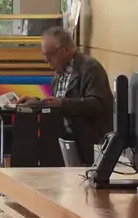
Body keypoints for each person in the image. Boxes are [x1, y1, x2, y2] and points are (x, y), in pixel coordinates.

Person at [38, 26, 113, 164]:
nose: (46, 60)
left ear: (65, 51)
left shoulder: (90, 68)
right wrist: (36, 102)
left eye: (49, 54)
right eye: (44, 55)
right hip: (66, 143)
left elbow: (100, 104)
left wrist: (63, 104)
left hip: (89, 144)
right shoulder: (58, 74)